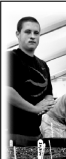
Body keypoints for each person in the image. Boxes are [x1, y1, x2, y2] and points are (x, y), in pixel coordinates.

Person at [7, 16, 56, 145]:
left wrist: (46, 105)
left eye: (36, 33)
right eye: (27, 32)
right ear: (18, 34)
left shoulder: (43, 65)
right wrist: (34, 109)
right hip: (13, 134)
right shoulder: (10, 58)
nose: (32, 36)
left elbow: (49, 94)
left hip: (36, 134)